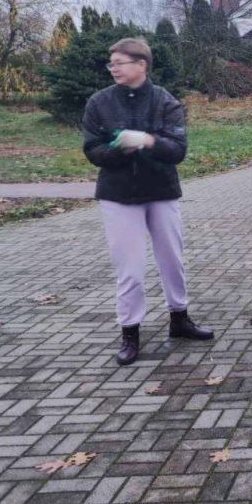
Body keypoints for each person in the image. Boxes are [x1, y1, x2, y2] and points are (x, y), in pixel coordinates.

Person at [82, 38, 213, 366]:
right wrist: (119, 149)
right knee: (130, 268)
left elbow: (177, 150)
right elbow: (92, 150)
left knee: (172, 259)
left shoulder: (165, 102)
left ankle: (180, 319)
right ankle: (129, 332)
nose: (113, 68)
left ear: (141, 65)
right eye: (111, 63)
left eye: (120, 62)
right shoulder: (99, 103)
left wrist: (148, 141)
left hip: (161, 192)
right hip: (118, 195)